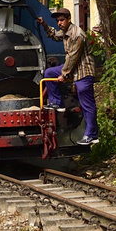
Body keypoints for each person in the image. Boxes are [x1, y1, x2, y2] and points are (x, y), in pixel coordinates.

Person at [42, 8, 99, 144]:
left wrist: (64, 74)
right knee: (49, 73)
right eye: (58, 21)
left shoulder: (76, 35)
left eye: (62, 20)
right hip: (74, 69)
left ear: (68, 19)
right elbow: (55, 35)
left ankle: (92, 135)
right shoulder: (66, 31)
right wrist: (44, 24)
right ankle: (57, 103)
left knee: (86, 103)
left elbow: (73, 57)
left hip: (83, 71)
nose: (59, 23)